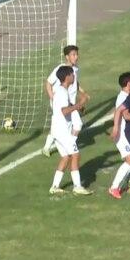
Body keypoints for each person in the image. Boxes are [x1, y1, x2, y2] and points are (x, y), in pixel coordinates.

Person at [48, 66, 92, 195]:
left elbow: (65, 107)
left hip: (57, 130)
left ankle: (54, 186)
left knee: (66, 157)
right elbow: (64, 111)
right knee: (75, 155)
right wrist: (80, 104)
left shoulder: (61, 90)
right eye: (72, 74)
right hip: (62, 131)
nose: (74, 76)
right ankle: (77, 186)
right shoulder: (62, 92)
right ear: (67, 77)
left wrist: (78, 106)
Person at [43, 46, 88, 157]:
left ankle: (62, 146)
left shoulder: (75, 69)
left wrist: (82, 91)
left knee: (68, 126)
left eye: (77, 54)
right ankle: (66, 146)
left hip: (70, 103)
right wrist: (53, 98)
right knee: (70, 125)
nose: (76, 57)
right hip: (61, 104)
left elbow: (75, 82)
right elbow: (48, 83)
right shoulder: (60, 69)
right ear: (67, 57)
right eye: (73, 55)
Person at [108, 72, 130, 199]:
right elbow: (119, 113)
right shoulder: (122, 98)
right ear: (129, 83)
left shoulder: (128, 95)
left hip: (128, 133)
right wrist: (115, 128)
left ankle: (129, 182)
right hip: (121, 134)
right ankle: (114, 188)